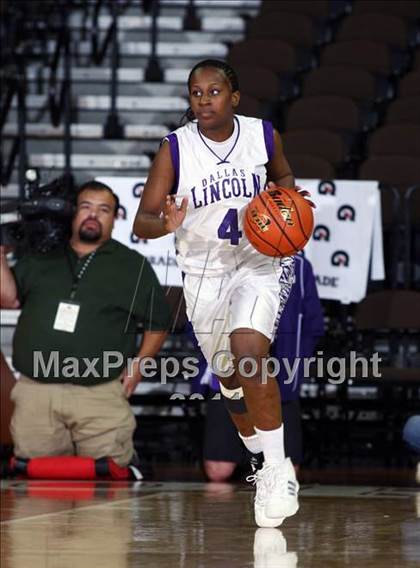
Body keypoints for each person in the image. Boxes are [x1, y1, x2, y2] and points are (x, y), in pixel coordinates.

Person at [133, 59, 315, 527]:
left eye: (214, 92)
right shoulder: (175, 149)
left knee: (249, 350)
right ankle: (261, 457)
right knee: (230, 382)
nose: (204, 100)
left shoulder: (263, 135)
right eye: (196, 93)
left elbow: (284, 177)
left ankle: (277, 469)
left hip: (258, 263)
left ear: (234, 97)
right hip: (204, 275)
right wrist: (166, 224)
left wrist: (289, 204)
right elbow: (142, 222)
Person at [0, 180, 170, 469]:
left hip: (99, 393)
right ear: (73, 213)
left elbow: (158, 322)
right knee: (39, 487)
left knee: (110, 485)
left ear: (115, 219)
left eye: (104, 210)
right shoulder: (43, 254)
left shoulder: (131, 265)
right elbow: (8, 299)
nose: (93, 215)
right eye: (86, 207)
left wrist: (138, 366)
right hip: (37, 393)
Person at [202, 254, 323, 482]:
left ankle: (267, 475)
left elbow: (313, 325)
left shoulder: (299, 267)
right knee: (219, 470)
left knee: (287, 474)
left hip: (280, 379)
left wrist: (293, 363)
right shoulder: (223, 258)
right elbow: (199, 318)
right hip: (231, 378)